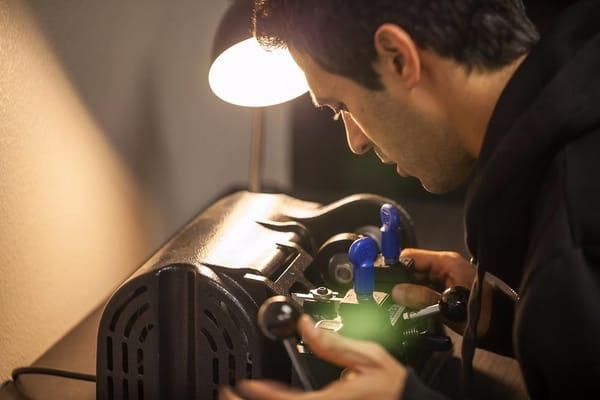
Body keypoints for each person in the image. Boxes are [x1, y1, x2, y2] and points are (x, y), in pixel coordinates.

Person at [221, 0, 600, 398]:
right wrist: (521, 323)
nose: (356, 142)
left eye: (342, 106)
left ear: (399, 59)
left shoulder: (572, 251)